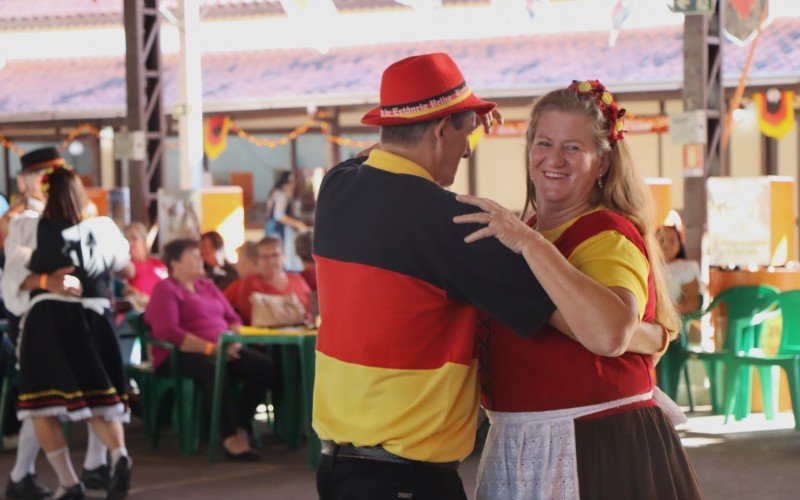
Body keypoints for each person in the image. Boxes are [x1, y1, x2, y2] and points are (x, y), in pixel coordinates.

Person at [312, 52, 561, 500]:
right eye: (466, 134)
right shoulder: (456, 223)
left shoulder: (336, 187)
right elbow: (563, 311)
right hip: (407, 479)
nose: (469, 148)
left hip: (337, 470)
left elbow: (379, 155)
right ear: (441, 130)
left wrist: (459, 116)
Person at [453, 80, 702, 499]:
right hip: (528, 441)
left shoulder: (605, 234)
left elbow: (608, 333)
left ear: (602, 162)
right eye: (544, 143)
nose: (554, 159)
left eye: (573, 148)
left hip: (592, 444)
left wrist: (528, 243)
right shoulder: (531, 231)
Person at [16, 164, 133, 500]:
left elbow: (14, 277)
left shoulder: (33, 227)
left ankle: (69, 482)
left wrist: (42, 279)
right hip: (96, 315)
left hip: (49, 316)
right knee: (99, 399)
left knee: (41, 405)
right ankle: (119, 456)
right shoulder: (103, 227)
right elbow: (127, 265)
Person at [2, 148, 109, 499]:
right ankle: (30, 476)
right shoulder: (22, 219)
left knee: (74, 392)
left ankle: (87, 467)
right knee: (42, 398)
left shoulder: (78, 215)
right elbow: (14, 272)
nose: (47, 183)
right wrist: (46, 281)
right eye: (41, 176)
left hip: (75, 315)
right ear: (25, 180)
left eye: (53, 176)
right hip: (35, 317)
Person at [145, 238, 273, 461]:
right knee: (213, 370)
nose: (199, 260)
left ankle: (242, 424)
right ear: (175, 264)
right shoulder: (165, 289)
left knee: (263, 365)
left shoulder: (207, 286)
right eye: (193, 257)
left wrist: (232, 342)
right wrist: (210, 349)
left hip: (222, 348)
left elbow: (233, 319)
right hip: (179, 355)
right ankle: (229, 436)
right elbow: (169, 331)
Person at [227, 236, 312, 326]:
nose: (270, 261)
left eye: (275, 255)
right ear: (257, 260)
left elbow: (310, 311)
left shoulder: (298, 280)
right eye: (265, 256)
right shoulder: (250, 283)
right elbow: (249, 316)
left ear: (284, 256)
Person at [265, 171, 308, 271]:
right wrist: (298, 224)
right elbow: (279, 215)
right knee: (281, 255)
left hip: (273, 227)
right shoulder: (281, 195)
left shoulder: (276, 192)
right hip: (277, 229)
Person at [657, 225, 701, 315]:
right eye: (661, 240)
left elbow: (692, 304)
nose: (666, 244)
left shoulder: (687, 268)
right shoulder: (645, 266)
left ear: (679, 244)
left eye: (672, 240)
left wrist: (663, 314)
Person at [121, 222, 167, 306]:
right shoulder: (126, 267)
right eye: (127, 239)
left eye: (134, 238)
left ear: (144, 240)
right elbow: (126, 291)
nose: (130, 243)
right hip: (144, 310)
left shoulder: (157, 262)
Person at [222, 240, 259, 306]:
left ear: (254, 262)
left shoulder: (239, 286)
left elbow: (219, 305)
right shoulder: (271, 282)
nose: (236, 265)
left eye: (239, 259)